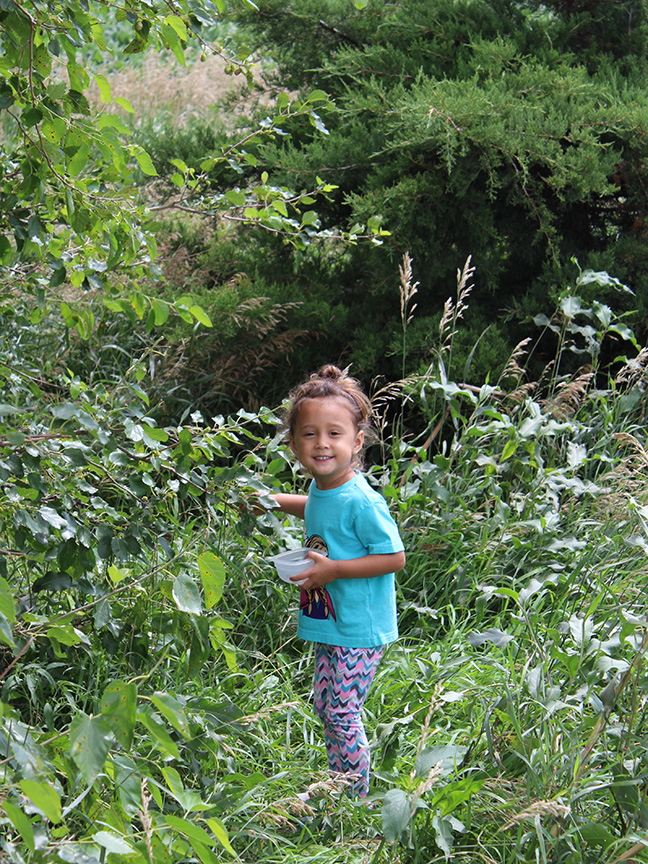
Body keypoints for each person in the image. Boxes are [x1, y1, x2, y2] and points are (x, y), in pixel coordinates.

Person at [263, 364, 406, 799]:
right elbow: (315, 508)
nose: (321, 443)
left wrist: (334, 570)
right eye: (308, 434)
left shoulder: (363, 499)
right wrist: (269, 502)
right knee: (328, 706)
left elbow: (395, 557)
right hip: (333, 619)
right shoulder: (326, 488)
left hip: (359, 627)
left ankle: (350, 797)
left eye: (334, 434)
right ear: (292, 442)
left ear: (357, 441)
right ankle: (339, 781)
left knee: (342, 711)